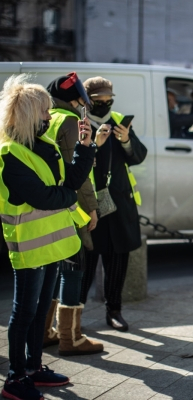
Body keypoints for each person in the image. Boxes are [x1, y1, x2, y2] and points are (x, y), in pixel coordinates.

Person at [0, 74, 94, 399]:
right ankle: (14, 379)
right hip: (28, 249)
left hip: (54, 245)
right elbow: (47, 197)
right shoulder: (9, 154)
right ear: (29, 114)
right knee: (23, 312)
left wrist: (85, 147)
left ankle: (34, 367)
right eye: (44, 112)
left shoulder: (46, 144)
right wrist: (68, 195)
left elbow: (71, 181)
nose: (49, 117)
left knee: (41, 311)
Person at [79, 76, 148, 332]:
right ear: (87, 101)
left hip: (119, 201)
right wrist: (95, 145)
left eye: (109, 100)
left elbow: (138, 156)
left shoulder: (118, 120)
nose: (105, 105)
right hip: (88, 202)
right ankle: (75, 312)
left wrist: (126, 139)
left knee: (118, 257)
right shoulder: (79, 123)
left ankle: (114, 310)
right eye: (99, 101)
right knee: (85, 259)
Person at [42, 72, 104, 357]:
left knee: (54, 268)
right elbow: (79, 172)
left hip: (50, 205)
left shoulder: (48, 118)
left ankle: (46, 331)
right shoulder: (69, 122)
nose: (86, 101)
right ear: (73, 97)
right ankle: (71, 338)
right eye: (82, 95)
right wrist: (91, 207)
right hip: (72, 207)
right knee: (74, 268)